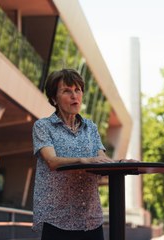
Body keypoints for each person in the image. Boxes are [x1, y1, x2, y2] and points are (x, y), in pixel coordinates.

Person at [32, 69, 136, 240]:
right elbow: (51, 161)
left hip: (90, 220)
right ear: (53, 99)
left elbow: (101, 160)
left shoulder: (91, 127)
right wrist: (83, 160)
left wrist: (121, 163)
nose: (75, 96)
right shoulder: (43, 126)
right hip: (56, 219)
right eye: (67, 91)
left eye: (78, 90)